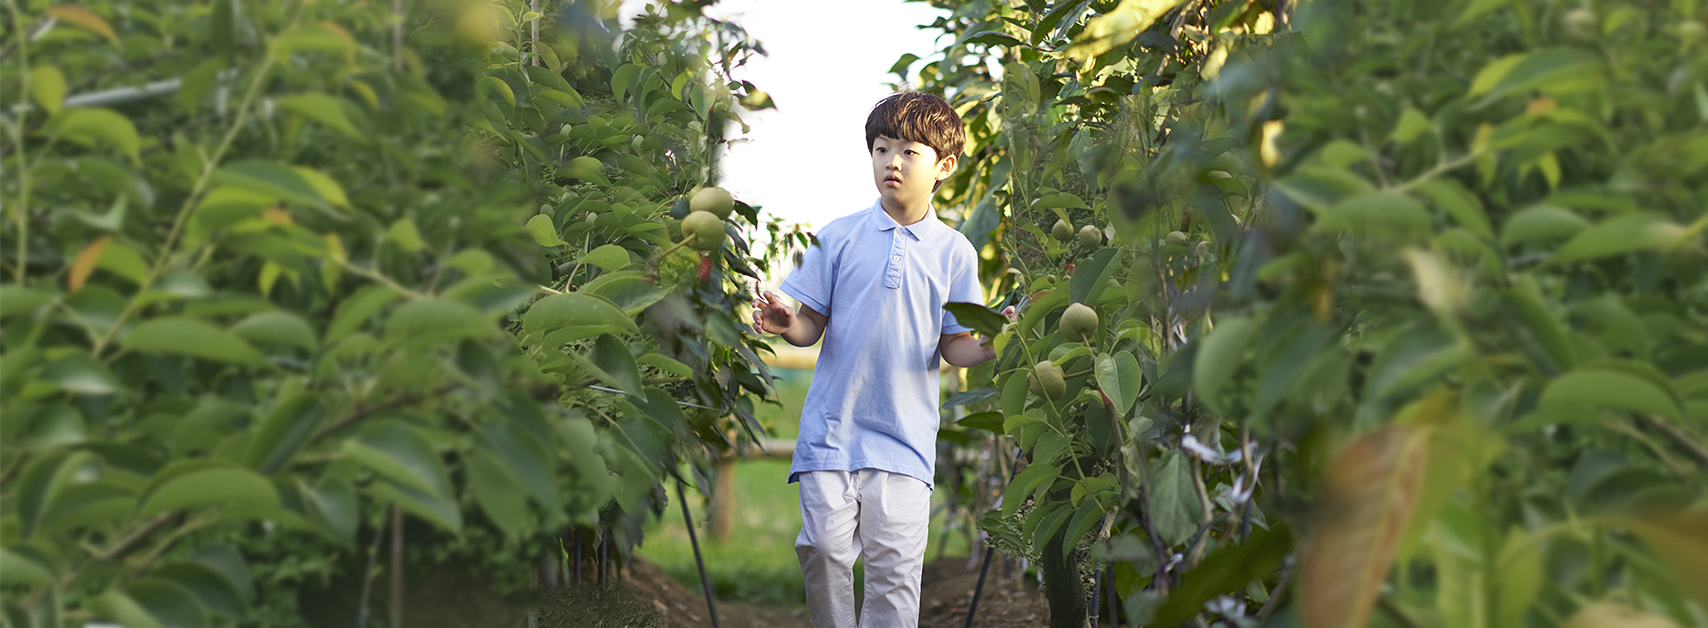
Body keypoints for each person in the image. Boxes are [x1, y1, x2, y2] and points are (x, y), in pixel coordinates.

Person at [750, 91, 1004, 628]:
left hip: (905, 439)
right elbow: (809, 324)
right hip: (832, 431)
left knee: (894, 577)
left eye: (911, 151)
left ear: (944, 167)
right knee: (821, 549)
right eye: (882, 148)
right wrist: (786, 323)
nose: (893, 160)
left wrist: (993, 342)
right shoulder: (838, 236)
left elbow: (955, 346)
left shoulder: (955, 252)